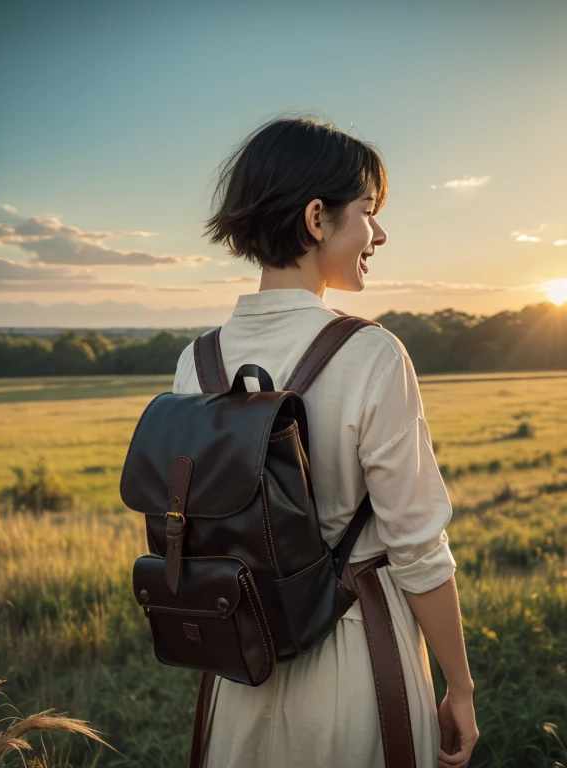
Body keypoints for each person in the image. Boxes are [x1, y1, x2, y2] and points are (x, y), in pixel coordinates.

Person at [173, 115, 479, 768]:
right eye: (368, 212)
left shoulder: (194, 363)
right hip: (357, 662)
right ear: (317, 218)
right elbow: (418, 550)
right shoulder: (372, 353)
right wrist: (460, 684)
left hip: (239, 670)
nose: (380, 233)